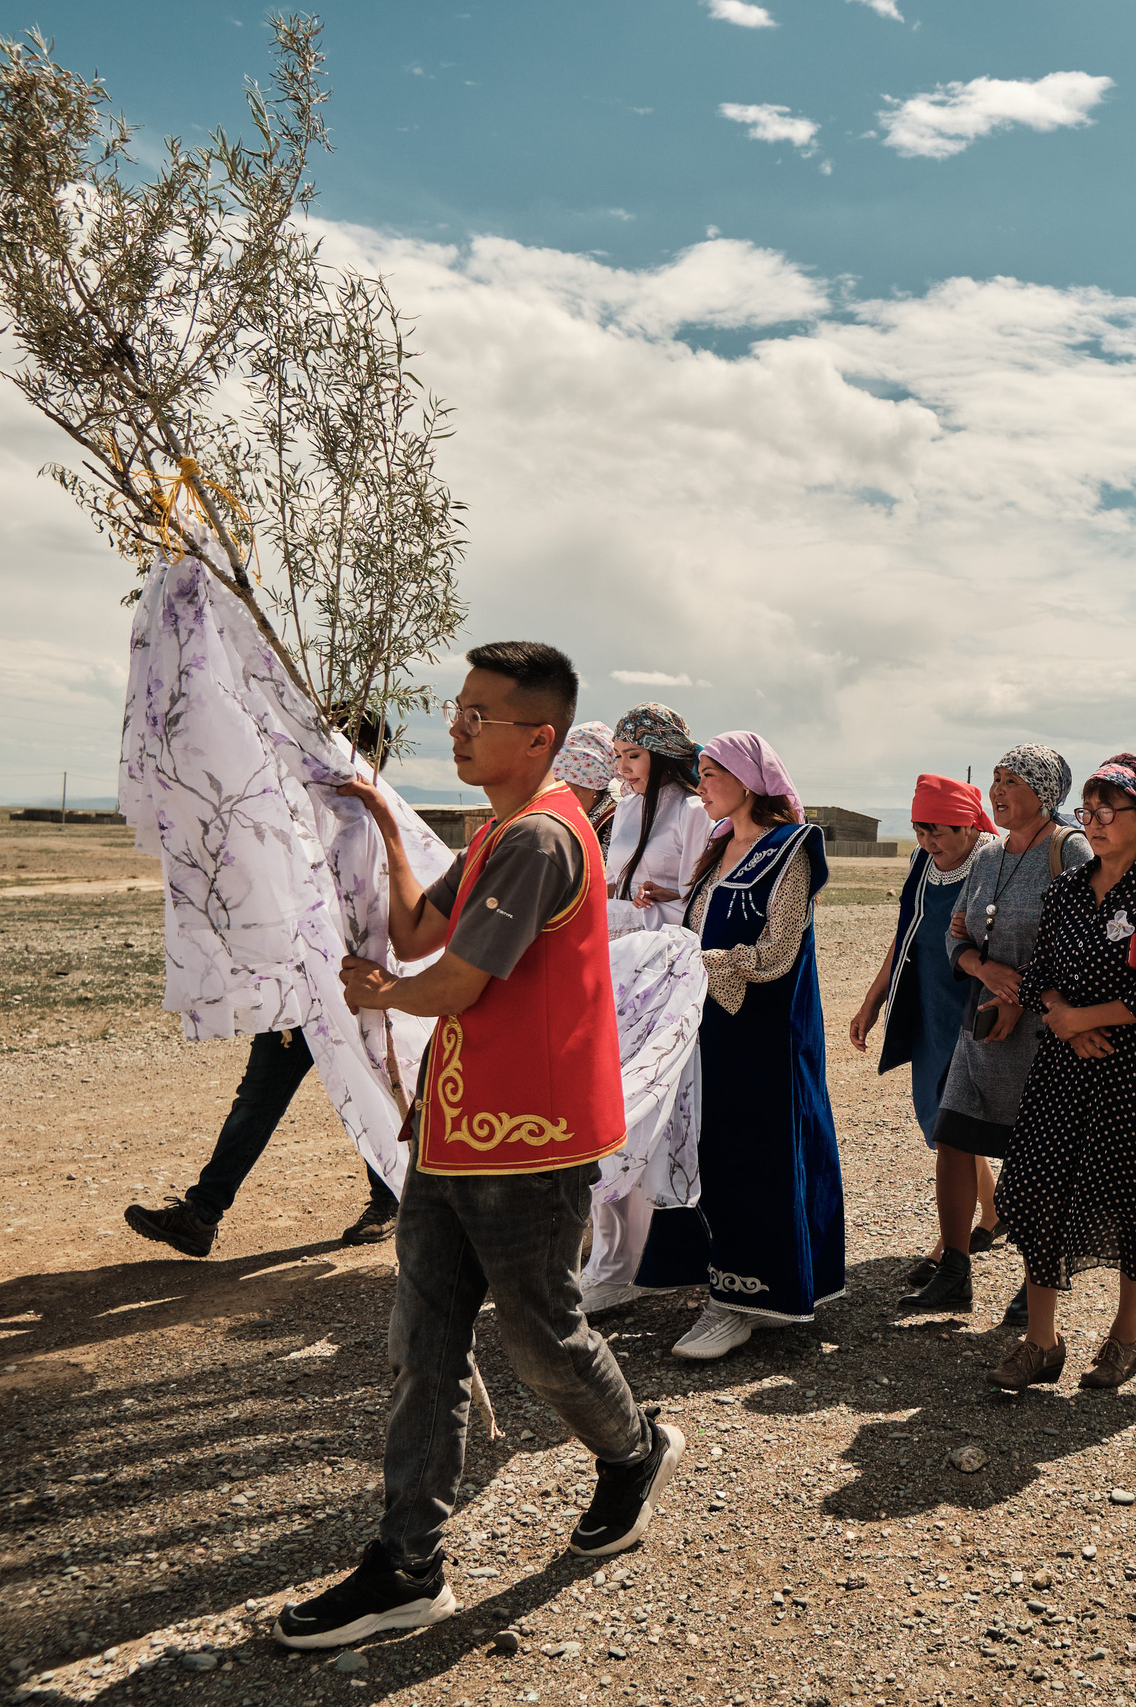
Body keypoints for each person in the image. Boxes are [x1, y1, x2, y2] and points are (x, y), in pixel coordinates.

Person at [275, 643, 683, 1650]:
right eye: (457, 709)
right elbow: (418, 930)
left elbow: (451, 983)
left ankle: (632, 1454)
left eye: (479, 714)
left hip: (531, 1147)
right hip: (454, 1138)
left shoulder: (542, 840)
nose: (456, 727)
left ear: (537, 736)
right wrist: (380, 821)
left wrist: (377, 996)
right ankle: (406, 1566)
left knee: (542, 1339)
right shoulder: (500, 831)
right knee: (424, 1350)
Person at [124, 706, 402, 1259]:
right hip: (300, 991)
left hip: (355, 987)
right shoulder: (291, 811)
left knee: (369, 1087)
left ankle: (392, 1198)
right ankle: (202, 1214)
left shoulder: (372, 817)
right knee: (259, 1097)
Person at [989, 754, 1136, 1393]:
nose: (1097, 822)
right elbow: (1041, 974)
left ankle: (1125, 1335)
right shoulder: (1068, 889)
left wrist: (1082, 1018)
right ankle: (1041, 1341)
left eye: (1111, 811)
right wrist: (1062, 1016)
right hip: (1064, 1067)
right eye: (1090, 811)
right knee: (1035, 1190)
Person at [634, 732, 845, 1361]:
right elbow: (701, 925)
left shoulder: (790, 849)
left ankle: (747, 1297)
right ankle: (727, 1278)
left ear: (749, 780)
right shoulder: (718, 845)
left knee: (760, 1148)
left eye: (711, 772)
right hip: (712, 1023)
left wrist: (704, 965)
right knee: (708, 1145)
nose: (700, 785)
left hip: (766, 1032)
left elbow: (779, 953)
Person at [930, 744, 1093, 1322]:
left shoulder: (1070, 850)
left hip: (1041, 1033)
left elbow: (1081, 943)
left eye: (1012, 781)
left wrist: (1019, 996)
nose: (997, 791)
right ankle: (953, 1272)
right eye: (995, 780)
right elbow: (957, 934)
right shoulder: (989, 855)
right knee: (953, 1138)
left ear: (1046, 792)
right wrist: (981, 969)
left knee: (1037, 1159)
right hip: (980, 1027)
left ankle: (1038, 1280)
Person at [848, 775, 994, 1306]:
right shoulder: (921, 865)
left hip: (972, 1003)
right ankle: (991, 1212)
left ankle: (949, 1244)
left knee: (955, 1119)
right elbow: (905, 931)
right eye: (920, 832)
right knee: (938, 1112)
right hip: (928, 1000)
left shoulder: (992, 861)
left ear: (968, 824)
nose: (930, 843)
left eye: (939, 832)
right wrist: (873, 998)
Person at [605, 703, 712, 935]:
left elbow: (698, 899)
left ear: (663, 753)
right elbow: (609, 885)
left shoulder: (693, 810)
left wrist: (665, 895)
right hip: (615, 935)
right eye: (618, 756)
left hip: (663, 938)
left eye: (633, 755)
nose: (622, 767)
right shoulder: (625, 807)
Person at [554, 720, 620, 850]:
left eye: (568, 791)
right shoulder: (568, 823)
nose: (559, 800)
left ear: (593, 787)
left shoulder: (617, 825)